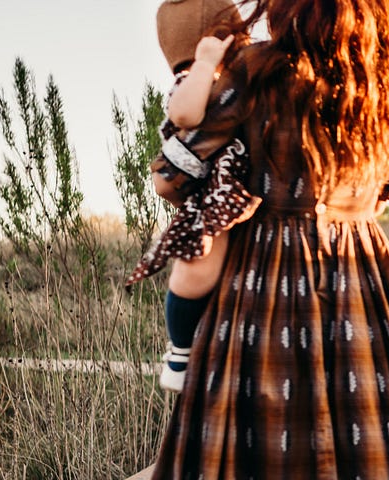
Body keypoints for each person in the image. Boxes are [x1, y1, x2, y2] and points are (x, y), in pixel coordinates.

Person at [147, 0, 389, 477]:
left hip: (263, 274)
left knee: (254, 443)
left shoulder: (258, 68)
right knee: (374, 430)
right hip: (362, 274)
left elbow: (174, 173)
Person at [126, 0, 264, 393]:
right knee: (197, 265)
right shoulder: (193, 79)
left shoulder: (236, 81)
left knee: (217, 273)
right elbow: (184, 116)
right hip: (212, 195)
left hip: (235, 191)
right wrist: (204, 64)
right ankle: (181, 352)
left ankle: (206, 344)